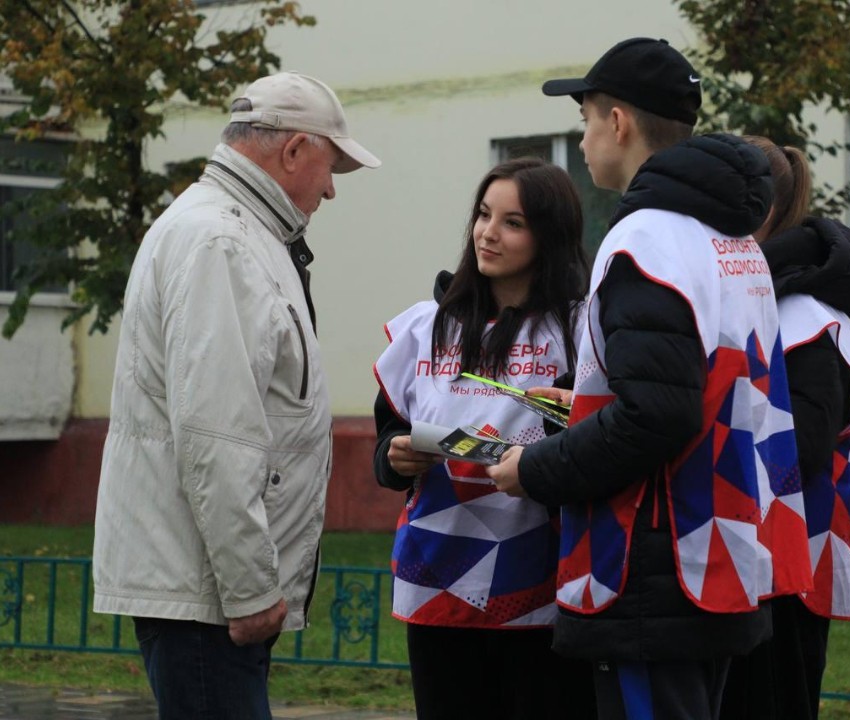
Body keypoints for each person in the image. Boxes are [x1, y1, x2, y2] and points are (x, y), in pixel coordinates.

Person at [487, 38, 814, 719]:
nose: (580, 142)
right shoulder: (733, 240)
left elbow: (657, 418)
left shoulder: (648, 238)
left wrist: (537, 468)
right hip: (716, 557)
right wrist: (589, 404)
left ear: (618, 122)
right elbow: (699, 389)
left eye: (583, 121)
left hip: (653, 571)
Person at [92, 71, 380, 719]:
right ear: (295, 151)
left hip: (207, 589)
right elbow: (217, 436)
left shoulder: (237, 232)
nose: (331, 189)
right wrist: (252, 590)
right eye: (331, 166)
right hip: (210, 597)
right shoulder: (221, 241)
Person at [372, 157, 597, 719]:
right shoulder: (427, 326)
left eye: (512, 222)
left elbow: (596, 443)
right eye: (482, 214)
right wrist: (396, 458)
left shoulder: (580, 329)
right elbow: (388, 438)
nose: (487, 233)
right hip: (436, 575)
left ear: (549, 236)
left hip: (541, 582)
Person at [718, 138, 850, 720]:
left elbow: (802, 450)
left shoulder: (808, 320)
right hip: (739, 558)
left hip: (788, 571)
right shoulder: (749, 302)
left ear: (758, 210)